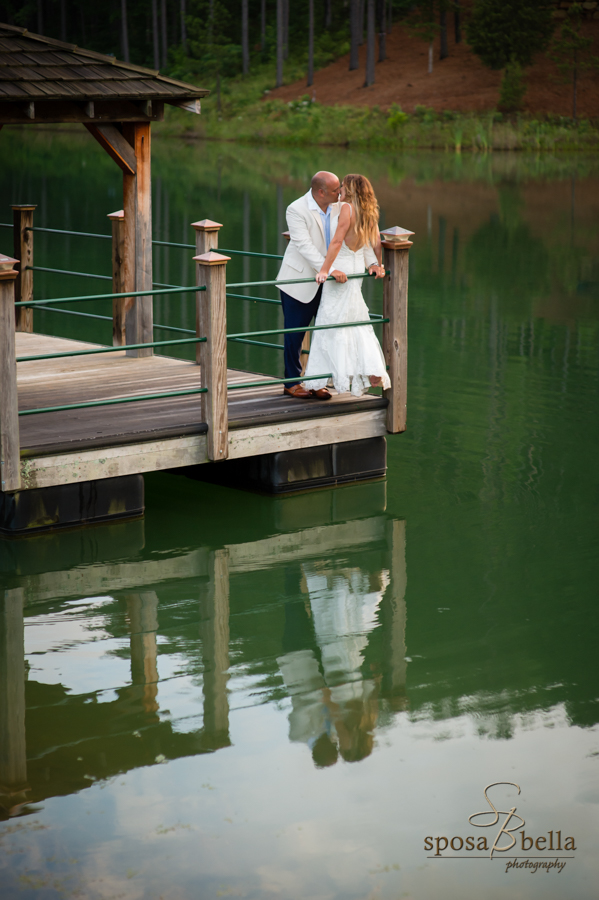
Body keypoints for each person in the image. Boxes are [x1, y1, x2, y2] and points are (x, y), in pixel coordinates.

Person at [276, 171, 383, 400]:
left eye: (341, 189)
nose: (340, 192)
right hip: (302, 278)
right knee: (295, 333)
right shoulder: (296, 209)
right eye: (336, 190)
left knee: (326, 330)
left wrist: (372, 262)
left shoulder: (341, 206)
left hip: (334, 280)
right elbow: (304, 246)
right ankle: (292, 383)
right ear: (321, 192)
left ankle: (317, 382)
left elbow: (357, 236)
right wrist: (328, 269)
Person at [303, 174, 390, 397]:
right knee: (355, 320)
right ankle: (366, 371)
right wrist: (377, 265)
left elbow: (337, 241)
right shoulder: (369, 211)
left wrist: (325, 270)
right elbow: (375, 241)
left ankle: (320, 380)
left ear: (350, 188)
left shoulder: (347, 209)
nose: (340, 188)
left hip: (340, 269)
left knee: (329, 321)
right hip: (355, 271)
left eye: (343, 185)